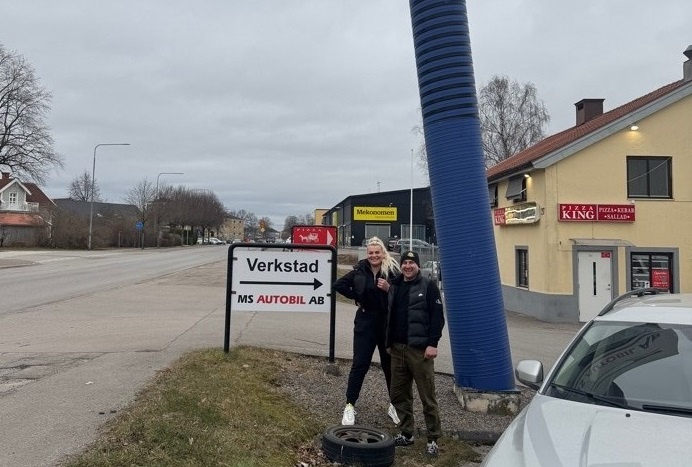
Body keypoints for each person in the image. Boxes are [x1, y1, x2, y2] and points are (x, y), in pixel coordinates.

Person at [333, 236, 401, 426]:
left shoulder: (392, 271)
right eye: (371, 253)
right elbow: (338, 285)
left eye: (377, 252)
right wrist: (357, 296)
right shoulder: (359, 270)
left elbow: (403, 295)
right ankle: (350, 405)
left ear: (383, 253)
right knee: (359, 365)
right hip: (365, 322)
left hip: (387, 324)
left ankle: (394, 405)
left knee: (390, 366)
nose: (374, 256)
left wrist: (389, 289)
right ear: (367, 254)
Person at [386, 250, 445, 457]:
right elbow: (390, 316)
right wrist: (388, 342)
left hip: (420, 351)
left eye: (411, 263)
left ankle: (433, 438)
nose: (407, 266)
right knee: (398, 394)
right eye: (405, 263)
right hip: (397, 349)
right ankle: (407, 434)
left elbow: (438, 317)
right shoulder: (394, 285)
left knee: (427, 396)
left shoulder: (428, 286)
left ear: (417, 265)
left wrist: (432, 344)